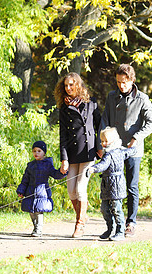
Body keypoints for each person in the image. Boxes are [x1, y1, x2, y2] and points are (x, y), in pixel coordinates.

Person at [101, 64, 152, 237]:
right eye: (118, 82)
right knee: (111, 185)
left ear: (132, 80)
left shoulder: (142, 99)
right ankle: (112, 224)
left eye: (124, 82)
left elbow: (151, 122)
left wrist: (137, 137)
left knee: (132, 186)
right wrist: (101, 144)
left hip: (133, 149)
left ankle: (130, 222)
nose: (121, 85)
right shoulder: (112, 97)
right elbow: (105, 120)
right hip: (113, 148)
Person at [55, 72, 102, 238]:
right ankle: (83, 215)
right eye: (66, 85)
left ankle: (79, 225)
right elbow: (63, 135)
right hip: (72, 153)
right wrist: (64, 158)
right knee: (71, 192)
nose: (68, 88)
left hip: (88, 152)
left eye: (71, 85)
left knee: (81, 189)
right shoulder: (64, 108)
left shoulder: (91, 103)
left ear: (78, 85)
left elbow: (99, 126)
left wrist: (100, 146)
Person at [86, 127, 136, 241]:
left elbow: (103, 164)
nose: (103, 143)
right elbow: (130, 151)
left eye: (106, 141)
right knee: (104, 208)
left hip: (116, 184)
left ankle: (120, 231)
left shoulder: (114, 153)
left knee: (117, 209)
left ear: (113, 141)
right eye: (102, 141)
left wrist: (93, 168)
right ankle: (110, 228)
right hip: (107, 184)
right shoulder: (109, 152)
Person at [16, 141, 66, 237]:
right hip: (30, 191)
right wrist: (21, 190)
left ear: (44, 153)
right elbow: (25, 179)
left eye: (39, 151)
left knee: (39, 210)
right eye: (34, 151)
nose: (36, 153)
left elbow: (55, 174)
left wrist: (62, 172)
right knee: (31, 211)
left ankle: (38, 229)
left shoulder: (47, 164)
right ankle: (35, 227)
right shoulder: (30, 165)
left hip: (42, 192)